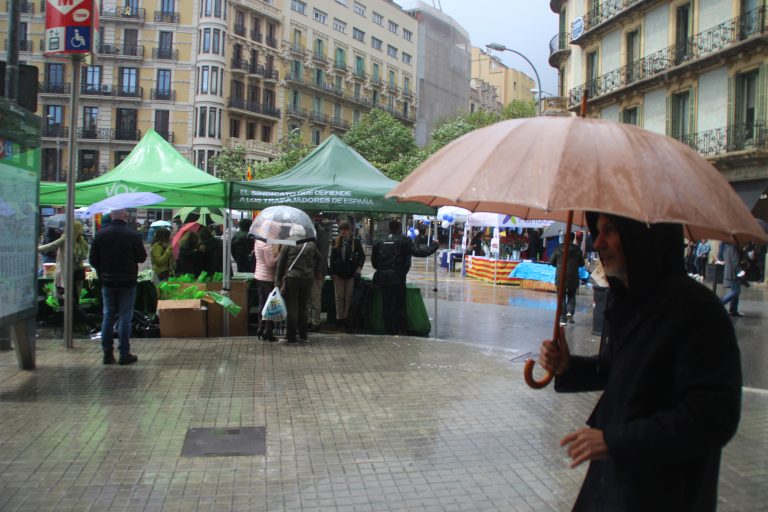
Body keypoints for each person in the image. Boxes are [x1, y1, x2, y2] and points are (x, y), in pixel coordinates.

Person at [538, 212, 742, 511]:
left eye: (610, 230)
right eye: (597, 231)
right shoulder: (630, 302)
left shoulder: (698, 311)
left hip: (665, 493)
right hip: (616, 485)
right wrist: (569, 367)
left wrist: (617, 441)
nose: (598, 242)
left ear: (642, 236)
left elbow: (713, 416)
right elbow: (616, 369)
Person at [89, 208, 147, 366]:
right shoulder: (133, 235)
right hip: (127, 281)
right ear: (125, 215)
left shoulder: (100, 235)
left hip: (107, 281)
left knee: (107, 316)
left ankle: (107, 354)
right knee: (125, 317)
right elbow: (142, 257)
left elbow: (93, 260)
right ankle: (124, 353)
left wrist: (103, 270)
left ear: (111, 215)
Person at [371, 220, 438, 336]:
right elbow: (419, 252)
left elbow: (374, 262)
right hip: (398, 277)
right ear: (399, 229)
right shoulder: (404, 240)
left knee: (386, 305)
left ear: (389, 228)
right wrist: (434, 246)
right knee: (399, 305)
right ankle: (400, 330)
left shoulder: (379, 240)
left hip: (383, 278)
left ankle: (388, 330)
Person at [275, 226, 322, 343]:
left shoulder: (288, 243)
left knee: (292, 307)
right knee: (303, 307)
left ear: (292, 232)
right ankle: (303, 334)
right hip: (307, 279)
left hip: (292, 278)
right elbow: (320, 258)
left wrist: (277, 282)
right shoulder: (311, 244)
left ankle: (291, 336)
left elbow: (280, 264)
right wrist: (313, 270)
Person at [37, 220, 89, 313]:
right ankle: (74, 316)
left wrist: (34, 249)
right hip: (78, 273)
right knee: (75, 295)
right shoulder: (82, 240)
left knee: (64, 295)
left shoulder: (65, 238)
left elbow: (50, 246)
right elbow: (85, 255)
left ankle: (66, 317)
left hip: (66, 273)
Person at [329, 220, 365, 327]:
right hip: (338, 273)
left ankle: (346, 317)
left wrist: (359, 268)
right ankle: (339, 317)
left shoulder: (355, 242)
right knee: (339, 297)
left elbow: (362, 256)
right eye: (342, 229)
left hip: (351, 273)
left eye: (346, 229)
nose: (344, 232)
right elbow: (332, 257)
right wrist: (332, 271)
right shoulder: (336, 241)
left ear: (349, 230)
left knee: (348, 297)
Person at [549, 232, 585, 324]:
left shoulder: (558, 248)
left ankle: (562, 319)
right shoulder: (577, 249)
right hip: (573, 276)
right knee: (571, 295)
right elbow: (582, 263)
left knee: (561, 297)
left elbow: (552, 261)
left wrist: (557, 264)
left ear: (564, 238)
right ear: (573, 238)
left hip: (560, 276)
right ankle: (570, 312)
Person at [253, 237, 280, 341]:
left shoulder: (258, 241)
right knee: (270, 306)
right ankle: (268, 331)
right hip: (268, 278)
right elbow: (271, 263)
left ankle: (261, 327)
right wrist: (279, 255)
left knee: (262, 303)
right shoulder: (268, 244)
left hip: (259, 276)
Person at [309, 217, 330, 330]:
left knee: (315, 297)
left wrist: (318, 271)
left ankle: (315, 322)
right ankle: (310, 320)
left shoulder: (321, 234)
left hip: (317, 271)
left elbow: (322, 255)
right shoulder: (316, 233)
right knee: (310, 298)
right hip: (309, 271)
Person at [720, 242, 744, 317]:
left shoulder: (726, 248)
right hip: (732, 274)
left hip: (729, 272)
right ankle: (719, 303)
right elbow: (735, 262)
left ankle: (733, 310)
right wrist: (740, 272)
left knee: (735, 292)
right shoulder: (733, 249)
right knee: (736, 291)